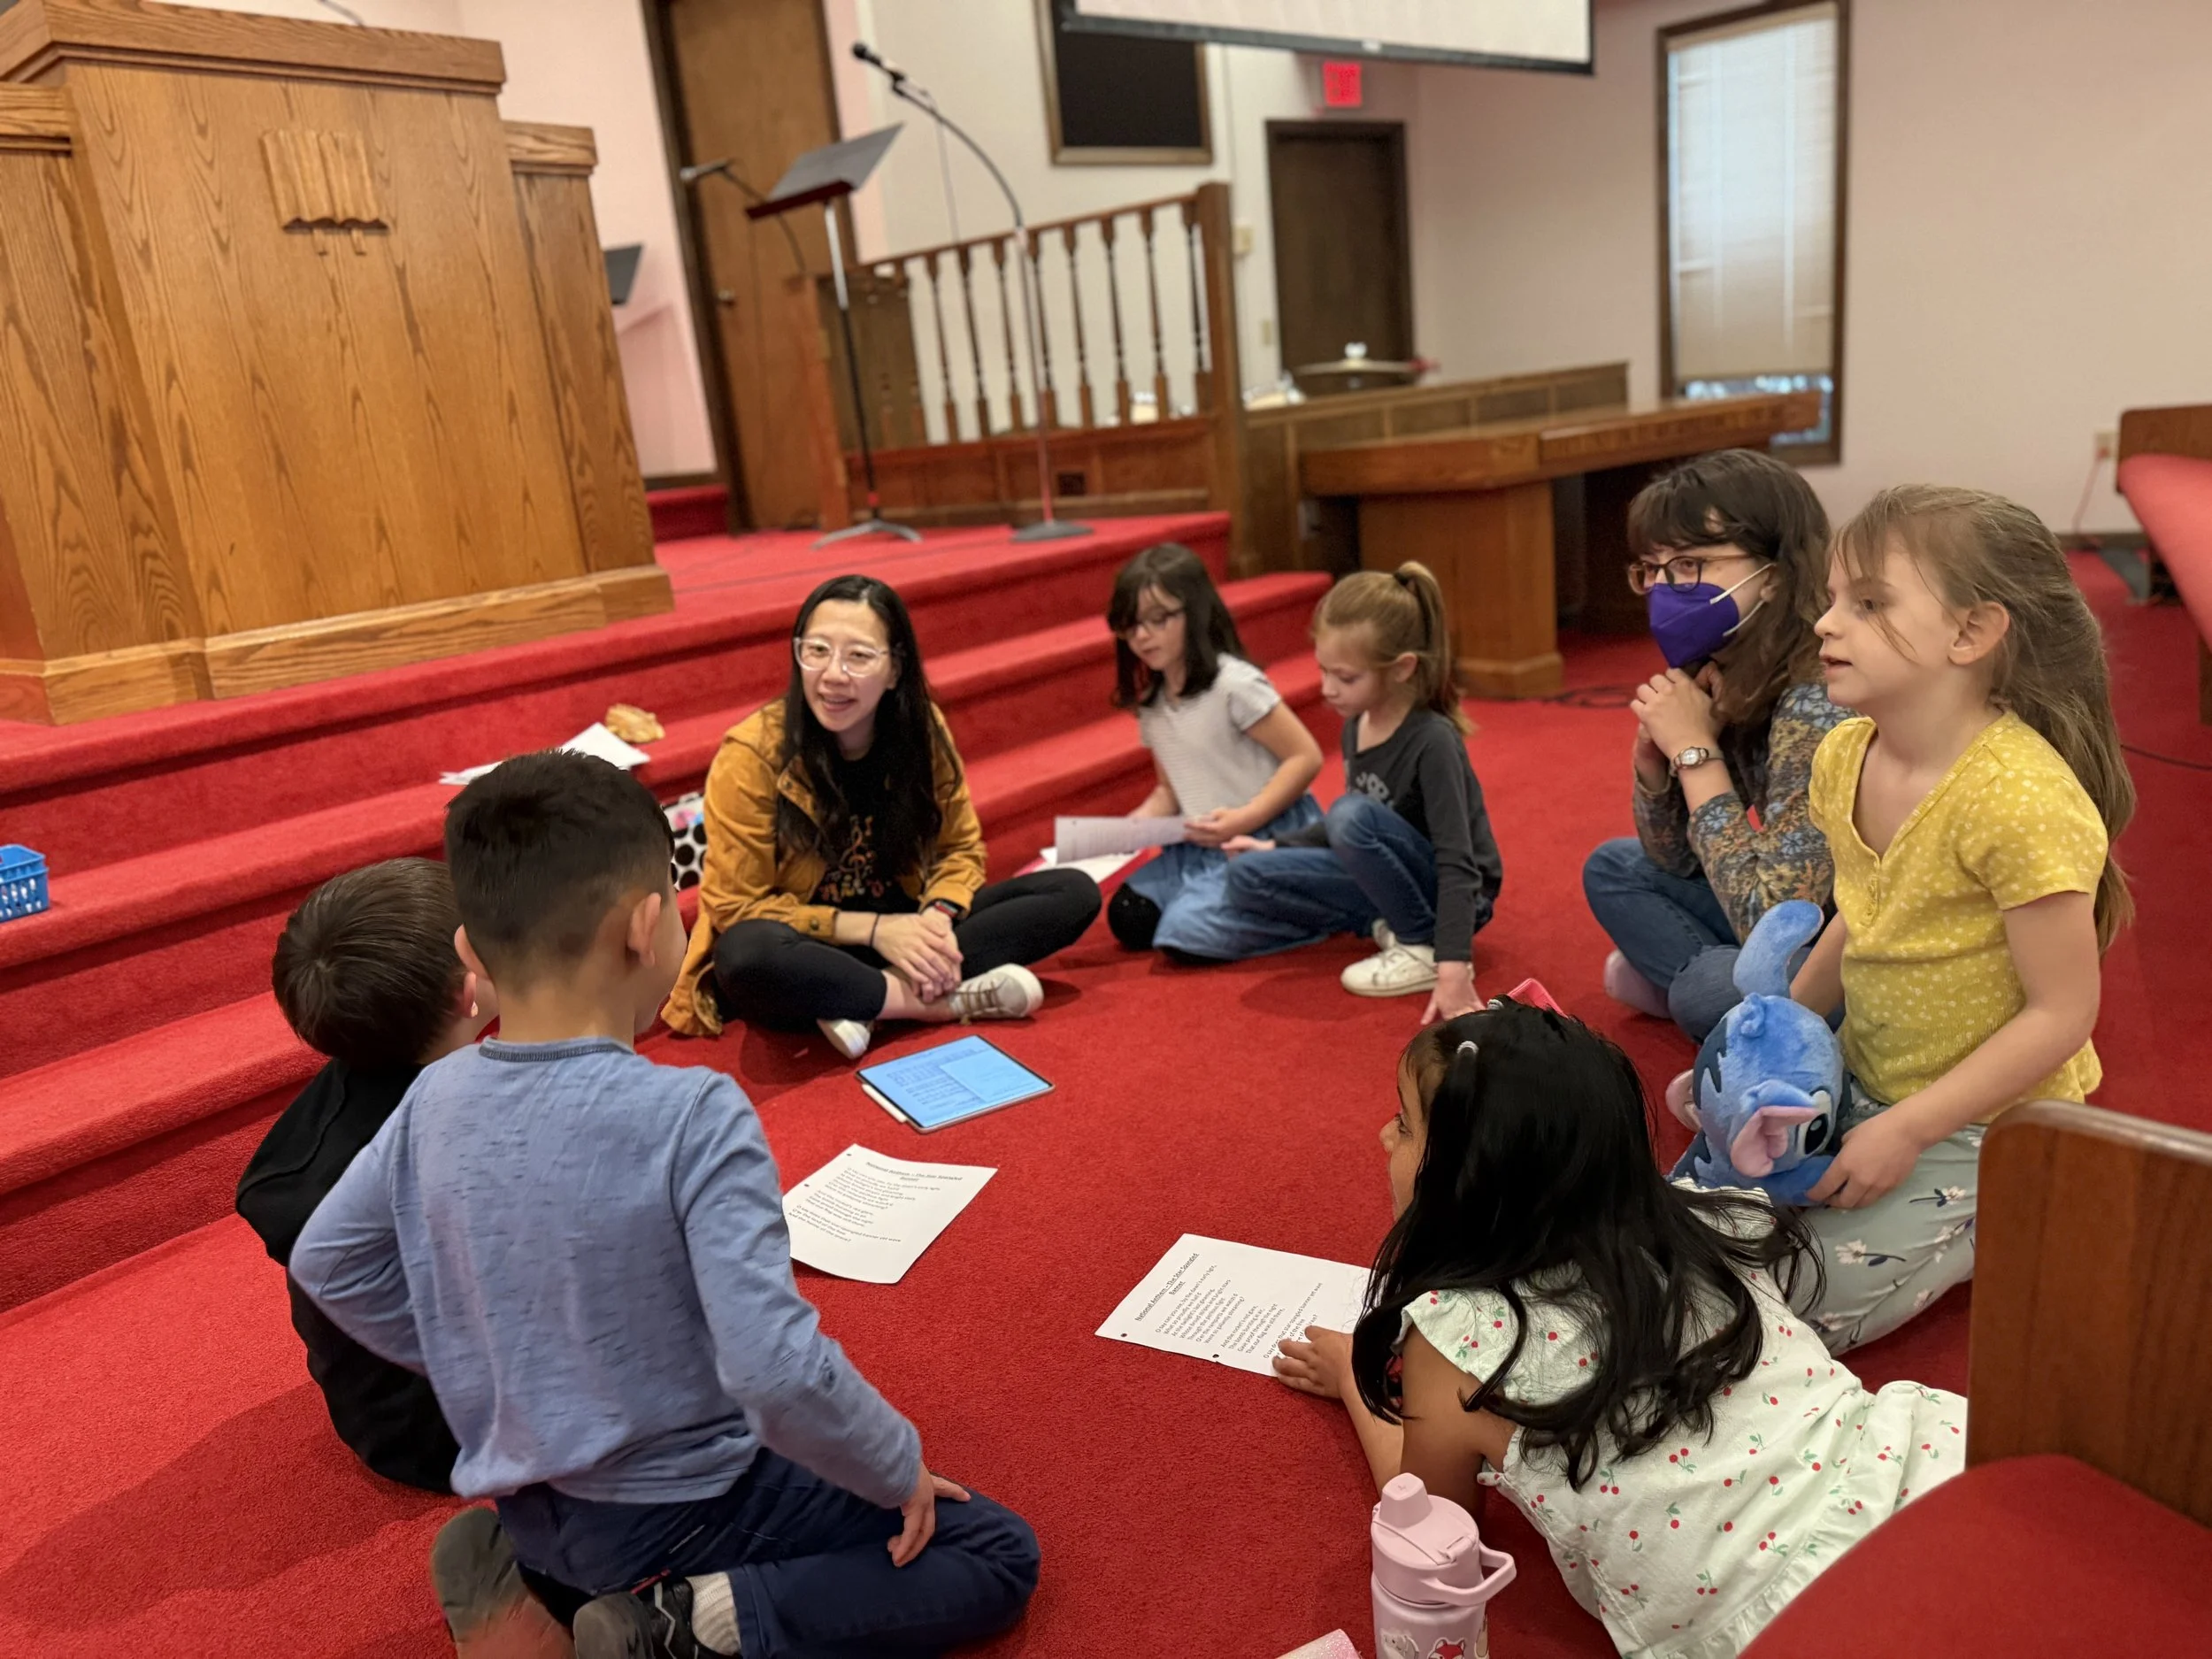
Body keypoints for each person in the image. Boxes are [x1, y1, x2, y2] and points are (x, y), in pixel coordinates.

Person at [292, 750, 1041, 1659]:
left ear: (467, 951)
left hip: (533, 1500)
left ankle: (541, 1584)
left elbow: (327, 1262)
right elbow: (775, 1371)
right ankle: (686, 1626)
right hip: (681, 1505)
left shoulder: (431, 1100)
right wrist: (895, 1463)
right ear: (646, 928)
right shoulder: (690, 1111)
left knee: (613, 1521)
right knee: (992, 1552)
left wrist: (479, 1360)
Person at [1273, 1002, 1965, 1659]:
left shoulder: (1458, 1342)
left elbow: (1433, 1521)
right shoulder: (1709, 1220)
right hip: (1927, 1466)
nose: (1382, 1136)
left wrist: (1351, 1380)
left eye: (1403, 1123)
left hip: (1784, 1619)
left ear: (1469, 1179)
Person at [1786, 485, 2131, 1350]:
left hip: (1992, 1121)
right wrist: (1782, 1025)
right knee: (1702, 1221)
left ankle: (2009, 1210)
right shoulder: (1842, 754)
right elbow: (1860, 914)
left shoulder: (2018, 799)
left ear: (1971, 634)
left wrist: (1906, 1129)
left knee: (1793, 1307)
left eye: (1866, 604)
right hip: (1868, 1074)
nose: (1826, 623)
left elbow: (2064, 1013)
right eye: (1831, 599)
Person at [661, 574, 1100, 1062]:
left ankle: (869, 1000)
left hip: (906, 929)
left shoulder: (921, 730)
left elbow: (961, 850)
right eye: (818, 650)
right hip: (813, 942)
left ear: (894, 669)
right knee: (744, 955)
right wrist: (873, 931)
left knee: (1072, 892)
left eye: (859, 656)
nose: (832, 674)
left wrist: (936, 918)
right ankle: (937, 1003)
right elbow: (735, 906)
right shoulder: (752, 753)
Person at [238, 856, 487, 1498]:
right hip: (445, 1434)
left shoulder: (359, 1082)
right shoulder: (449, 1145)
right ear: (471, 993)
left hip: (380, 1407)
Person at [1581, 449, 1849, 1044]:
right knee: (1613, 867)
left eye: (1689, 564)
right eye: (1651, 569)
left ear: (1775, 572)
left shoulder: (1817, 700)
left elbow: (1774, 921)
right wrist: (1655, 766)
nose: (1662, 591)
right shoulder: (1731, 661)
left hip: (1848, 947)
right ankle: (1712, 991)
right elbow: (1673, 860)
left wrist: (1698, 754)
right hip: (1789, 920)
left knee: (1706, 989)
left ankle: (1703, 990)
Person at [1219, 563, 1503, 1020]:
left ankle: (1419, 944)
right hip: (1390, 873)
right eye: (1324, 671)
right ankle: (1385, 924)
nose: (1328, 689)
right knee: (1246, 873)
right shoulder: (1356, 725)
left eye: (1346, 678)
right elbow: (1350, 825)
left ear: (1402, 668)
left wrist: (1454, 967)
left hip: (1457, 895)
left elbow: (1458, 860)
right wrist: (1275, 844)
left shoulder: (1432, 740)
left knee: (1351, 814)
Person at [1102, 541, 1326, 959]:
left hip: (1265, 832)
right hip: (1199, 843)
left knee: (1185, 935)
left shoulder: (1233, 684)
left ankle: (1315, 910)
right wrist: (1132, 829)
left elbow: (1305, 756)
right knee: (1129, 916)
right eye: (1131, 626)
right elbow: (1170, 790)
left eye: (1158, 620)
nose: (1142, 636)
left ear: (1195, 612)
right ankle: (1218, 895)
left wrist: (1247, 816)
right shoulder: (1152, 704)